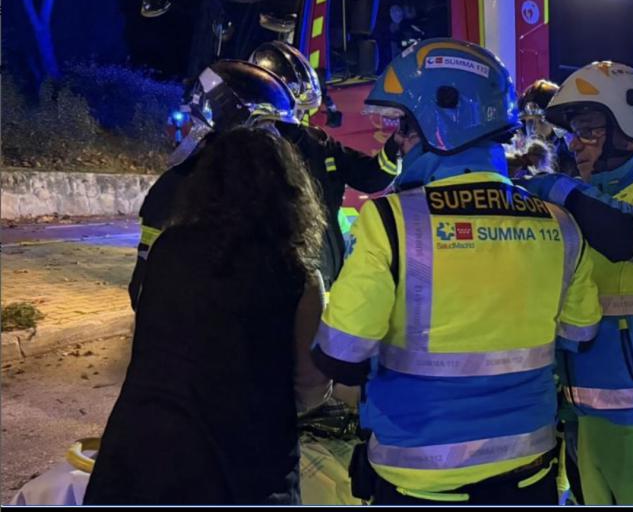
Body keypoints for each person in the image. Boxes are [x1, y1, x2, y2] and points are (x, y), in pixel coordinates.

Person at [310, 38, 602, 505]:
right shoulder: (560, 225)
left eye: (403, 126)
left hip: (420, 479)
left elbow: (338, 355)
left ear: (441, 120)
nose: (397, 141)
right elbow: (581, 333)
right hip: (529, 473)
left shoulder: (393, 221)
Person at [84, 126, 331, 505]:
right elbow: (311, 387)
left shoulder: (166, 251)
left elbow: (152, 346)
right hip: (245, 473)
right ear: (289, 195)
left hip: (139, 460)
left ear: (205, 186)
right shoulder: (299, 278)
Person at [518, 61, 633, 505]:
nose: (575, 145)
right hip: (586, 421)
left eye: (588, 131)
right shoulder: (583, 209)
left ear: (628, 129)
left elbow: (628, 235)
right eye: (572, 133)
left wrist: (559, 189)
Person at [127, 59, 300, 309]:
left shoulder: (265, 187)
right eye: (265, 130)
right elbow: (146, 287)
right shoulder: (178, 187)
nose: (274, 142)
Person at [249, 41, 400, 290]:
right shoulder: (247, 151)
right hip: (278, 286)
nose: (297, 115)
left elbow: (371, 177)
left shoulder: (318, 143)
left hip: (328, 278)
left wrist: (395, 146)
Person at [517, 79, 577, 177]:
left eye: (541, 121)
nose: (534, 129)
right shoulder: (517, 165)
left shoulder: (575, 163)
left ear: (558, 125)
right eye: (530, 122)